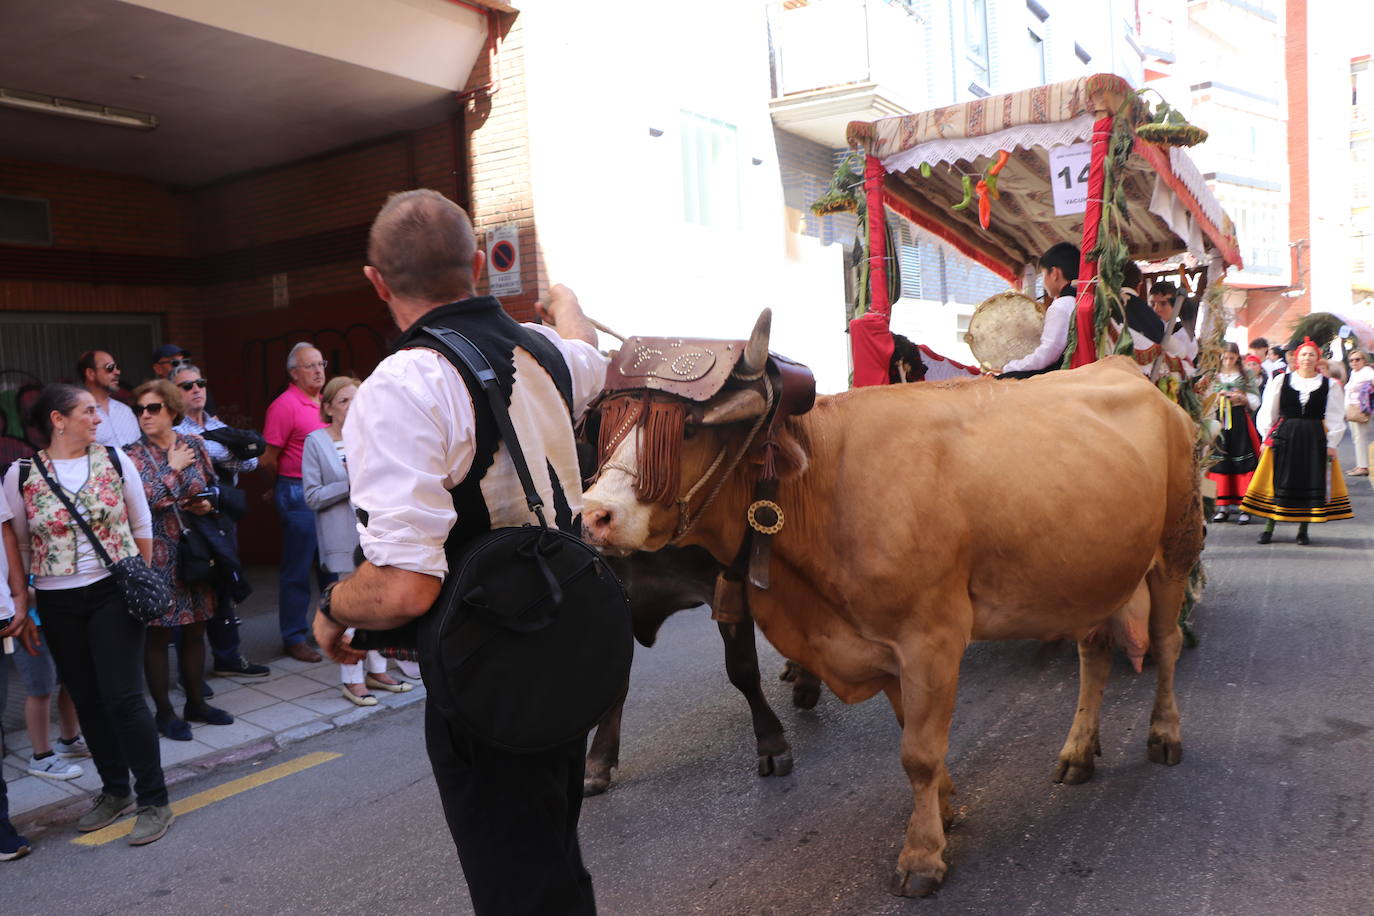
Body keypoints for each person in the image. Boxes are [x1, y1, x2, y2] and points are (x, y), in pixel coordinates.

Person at [313, 189, 606, 914]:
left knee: (519, 885)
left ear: (376, 283)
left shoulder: (400, 388)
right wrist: (564, 302)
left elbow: (404, 587)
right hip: (572, 642)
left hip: (488, 675)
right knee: (554, 855)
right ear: (478, 265)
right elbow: (590, 352)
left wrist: (330, 609)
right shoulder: (548, 355)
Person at [3, 384, 173, 845]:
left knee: (123, 696)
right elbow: (18, 542)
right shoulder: (22, 474)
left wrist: (134, 575)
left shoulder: (117, 461)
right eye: (88, 411)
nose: (98, 419)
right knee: (85, 697)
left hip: (112, 592)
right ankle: (116, 790)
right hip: (57, 601)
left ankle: (155, 799)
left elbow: (142, 527)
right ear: (58, 420)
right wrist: (27, 598)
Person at [124, 380, 234, 739]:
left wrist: (206, 502)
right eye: (140, 409)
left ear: (171, 409)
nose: (145, 415)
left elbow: (212, 486)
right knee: (158, 634)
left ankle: (196, 703)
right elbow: (146, 499)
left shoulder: (195, 445)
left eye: (152, 408)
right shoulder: (132, 455)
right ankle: (165, 713)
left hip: (195, 550)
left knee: (196, 626)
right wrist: (172, 468)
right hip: (156, 553)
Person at [302, 376, 413, 706]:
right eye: (345, 401)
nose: (353, 407)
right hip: (340, 539)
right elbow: (312, 496)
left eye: (358, 399)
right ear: (328, 408)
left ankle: (377, 669)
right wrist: (348, 482)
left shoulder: (372, 437)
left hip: (376, 537)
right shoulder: (316, 442)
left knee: (377, 605)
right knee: (350, 609)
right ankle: (351, 679)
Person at [172, 364, 268, 679]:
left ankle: (228, 657)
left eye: (200, 382)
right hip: (192, 519)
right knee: (197, 586)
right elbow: (207, 452)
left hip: (224, 514)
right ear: (175, 393)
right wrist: (229, 447)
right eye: (187, 386)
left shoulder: (215, 422)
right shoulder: (174, 429)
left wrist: (218, 448)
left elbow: (253, 460)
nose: (196, 389)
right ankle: (192, 675)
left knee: (227, 583)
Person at [1241, 338, 1352, 545]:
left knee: (1308, 480)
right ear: (1296, 358)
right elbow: (1269, 410)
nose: (1307, 358)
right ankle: (1269, 527)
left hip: (1313, 436)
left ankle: (1303, 529)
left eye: (1311, 354)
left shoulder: (1329, 385)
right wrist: (1266, 436)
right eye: (1303, 354)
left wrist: (1332, 443)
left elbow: (1335, 416)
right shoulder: (1281, 381)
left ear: (1318, 359)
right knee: (1278, 480)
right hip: (1286, 434)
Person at [262, 343, 329, 663]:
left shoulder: (325, 402)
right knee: (298, 570)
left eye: (320, 364)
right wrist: (281, 485)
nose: (318, 371)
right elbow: (268, 458)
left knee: (332, 565)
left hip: (330, 492)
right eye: (310, 366)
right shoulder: (285, 405)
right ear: (293, 373)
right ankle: (293, 636)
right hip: (297, 490)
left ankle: (333, 628)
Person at [1000, 242, 1079, 377]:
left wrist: (1010, 367)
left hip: (1059, 375)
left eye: (1043, 275)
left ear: (1054, 273)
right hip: (1075, 371)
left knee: (1002, 380)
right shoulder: (1081, 300)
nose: (1043, 282)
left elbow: (1047, 355)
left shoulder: (1061, 306)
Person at [1207, 343, 1261, 525]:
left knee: (1242, 461)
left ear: (1238, 357)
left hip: (1238, 421)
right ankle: (1220, 506)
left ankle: (1245, 507)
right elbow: (1204, 396)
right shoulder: (1213, 374)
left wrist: (1243, 398)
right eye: (1225, 357)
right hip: (1218, 421)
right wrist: (1217, 397)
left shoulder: (1247, 375)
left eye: (1232, 357)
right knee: (1217, 461)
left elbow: (1255, 399)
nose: (1228, 360)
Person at [77, 350, 140, 448]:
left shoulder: (125, 410)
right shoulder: (77, 414)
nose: (117, 372)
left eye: (117, 367)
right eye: (110, 368)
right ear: (90, 374)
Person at [1345, 349, 1374, 477]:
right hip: (1352, 408)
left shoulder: (1367, 372)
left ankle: (1363, 466)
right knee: (1357, 437)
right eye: (1351, 360)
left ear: (1364, 360)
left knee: (1361, 437)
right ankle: (1360, 464)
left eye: (1357, 359)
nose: (1354, 362)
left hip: (1361, 409)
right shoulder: (1354, 373)